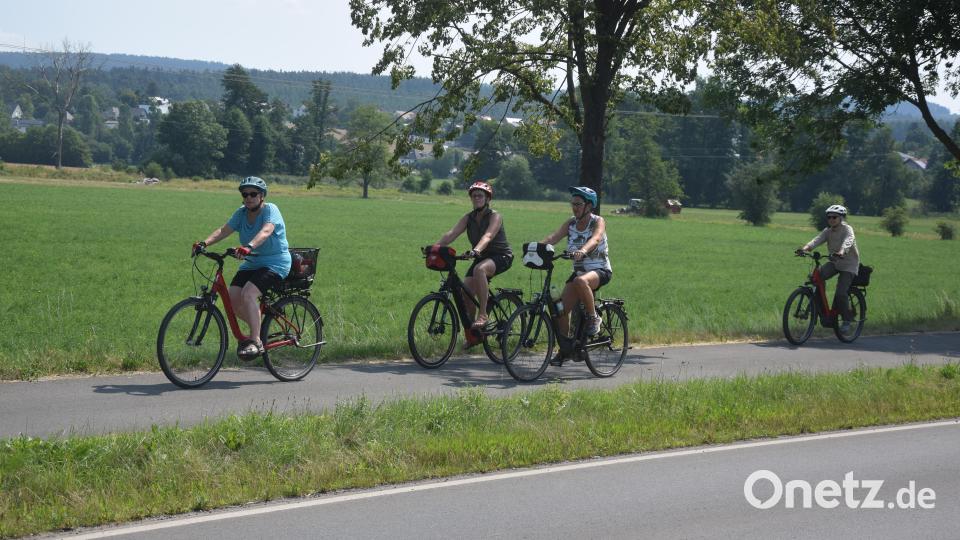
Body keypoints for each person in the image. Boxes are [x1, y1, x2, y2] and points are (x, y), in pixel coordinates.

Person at [192, 176, 292, 356]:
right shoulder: (241, 213)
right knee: (233, 300)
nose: (248, 197)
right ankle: (261, 326)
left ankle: (256, 341)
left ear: (262, 196)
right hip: (252, 262)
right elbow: (224, 230)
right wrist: (203, 244)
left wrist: (249, 247)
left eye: (253, 194)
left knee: (249, 294)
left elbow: (266, 231)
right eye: (245, 194)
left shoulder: (271, 210)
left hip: (275, 262)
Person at [435, 181, 513, 346]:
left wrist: (476, 250)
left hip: (501, 256)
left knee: (480, 270)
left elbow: (488, 235)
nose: (477, 198)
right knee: (466, 293)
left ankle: (483, 314)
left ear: (487, 198)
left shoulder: (495, 216)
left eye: (480, 195)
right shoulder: (468, 218)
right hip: (481, 256)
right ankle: (473, 335)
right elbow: (451, 234)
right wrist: (435, 248)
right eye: (474, 195)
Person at [541, 186, 612, 361]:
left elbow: (595, 239)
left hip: (599, 270)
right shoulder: (571, 223)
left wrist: (582, 250)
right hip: (580, 272)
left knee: (581, 281)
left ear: (589, 206)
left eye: (578, 204)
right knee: (560, 311)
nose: (574, 207)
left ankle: (593, 318)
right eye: (573, 204)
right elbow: (554, 237)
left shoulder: (597, 221)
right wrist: (536, 248)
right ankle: (565, 349)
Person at [799, 204, 860, 334]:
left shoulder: (847, 229)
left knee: (840, 293)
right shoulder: (828, 231)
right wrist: (805, 249)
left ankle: (846, 320)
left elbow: (849, 241)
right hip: (835, 262)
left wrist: (842, 251)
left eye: (834, 217)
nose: (831, 219)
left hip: (849, 265)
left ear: (841, 218)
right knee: (816, 278)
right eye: (829, 217)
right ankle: (820, 310)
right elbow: (817, 240)